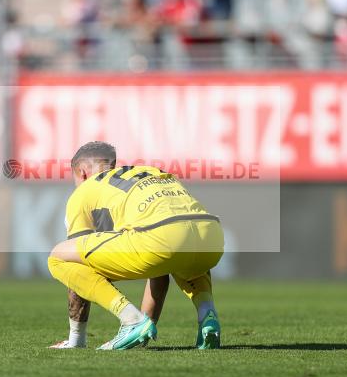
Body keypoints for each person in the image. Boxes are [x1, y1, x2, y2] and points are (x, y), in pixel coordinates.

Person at [47, 142, 224, 350]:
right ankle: (207, 315)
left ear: (82, 173)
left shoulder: (84, 190)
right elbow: (160, 268)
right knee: (181, 248)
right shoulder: (150, 172)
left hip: (162, 238)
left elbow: (77, 259)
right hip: (211, 237)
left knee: (59, 256)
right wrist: (147, 326)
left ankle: (129, 320)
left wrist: (77, 339)